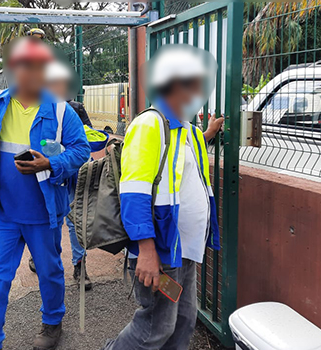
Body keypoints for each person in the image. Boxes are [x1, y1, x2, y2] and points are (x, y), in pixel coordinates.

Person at [0, 37, 91, 350]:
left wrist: (51, 163)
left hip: (42, 213)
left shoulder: (60, 111)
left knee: (49, 271)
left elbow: (81, 150)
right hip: (0, 211)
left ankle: (52, 321)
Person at [102, 44, 223, 350]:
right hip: (160, 247)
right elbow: (135, 190)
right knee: (156, 326)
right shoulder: (150, 124)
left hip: (184, 248)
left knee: (183, 321)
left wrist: (208, 132)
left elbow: (182, 166)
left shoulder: (188, 130)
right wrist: (145, 250)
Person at [28, 60, 108, 290]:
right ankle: (39, 256)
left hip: (71, 174)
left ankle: (79, 266)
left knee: (73, 221)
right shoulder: (34, 109)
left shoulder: (74, 109)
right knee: (41, 219)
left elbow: (87, 139)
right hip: (42, 177)